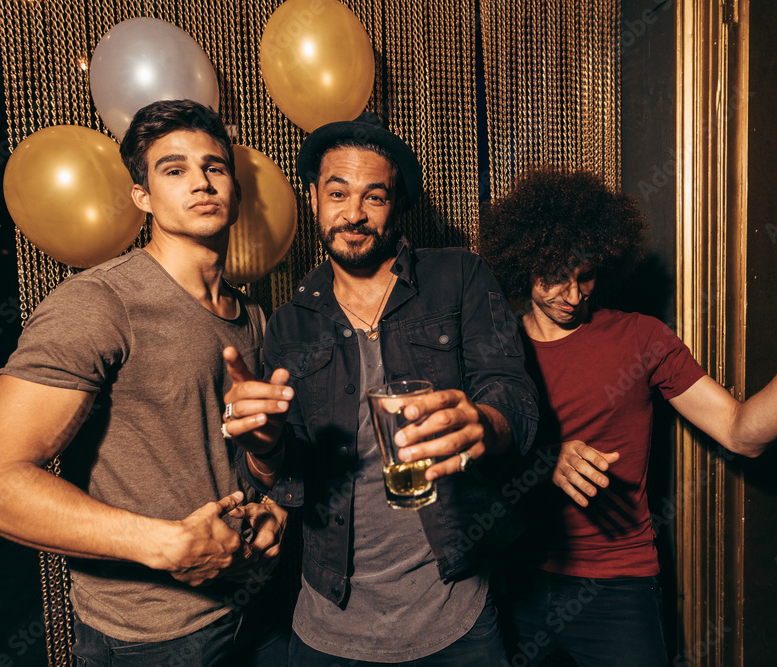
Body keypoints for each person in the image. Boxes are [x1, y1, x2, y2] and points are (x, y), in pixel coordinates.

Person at [477, 166, 777, 666]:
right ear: (522, 263)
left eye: (587, 275)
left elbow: (741, 432)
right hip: (512, 575)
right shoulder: (492, 349)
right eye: (556, 276)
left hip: (618, 588)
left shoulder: (640, 338)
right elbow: (470, 463)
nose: (575, 293)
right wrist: (543, 462)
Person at [0, 100, 294, 666]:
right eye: (174, 169)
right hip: (153, 638)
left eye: (214, 167)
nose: (201, 182)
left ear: (234, 187)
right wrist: (166, 547)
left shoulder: (254, 316)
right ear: (143, 197)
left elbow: (245, 456)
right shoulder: (100, 303)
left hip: (259, 609)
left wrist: (271, 502)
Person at [222, 113, 539, 665]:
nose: (353, 213)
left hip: (456, 612)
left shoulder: (459, 277)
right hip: (329, 622)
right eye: (337, 193)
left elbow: (513, 392)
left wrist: (484, 424)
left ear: (396, 206)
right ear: (314, 199)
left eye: (374, 196)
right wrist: (264, 447)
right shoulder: (289, 323)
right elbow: (284, 479)